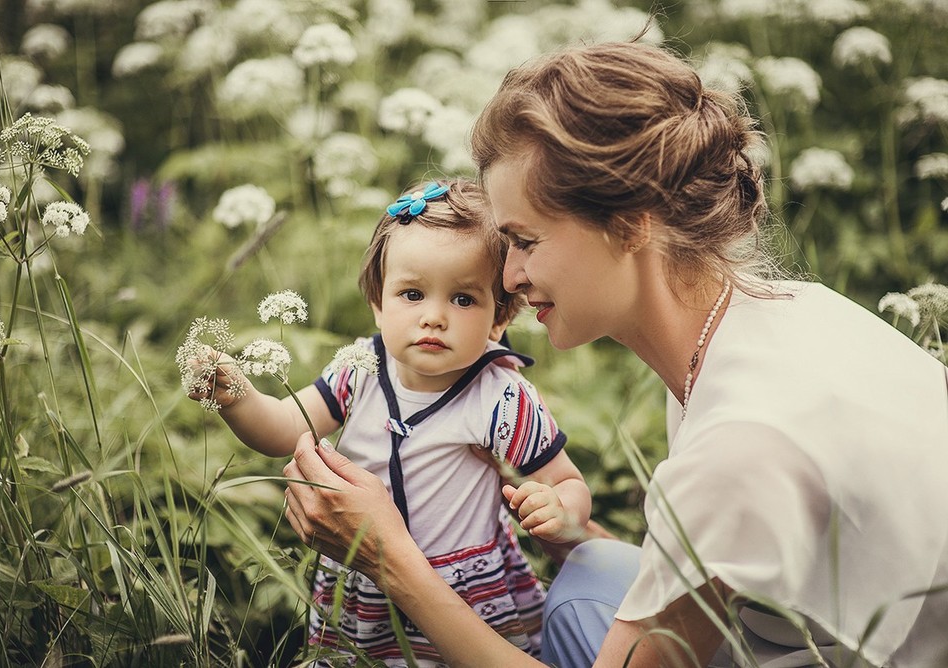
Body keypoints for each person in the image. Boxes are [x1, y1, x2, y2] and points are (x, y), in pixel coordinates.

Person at [280, 40, 948, 668]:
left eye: (526, 241)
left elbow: (727, 488)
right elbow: (719, 564)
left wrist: (390, 559)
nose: (507, 277)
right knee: (593, 574)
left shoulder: (742, 440)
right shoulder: (777, 315)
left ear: (630, 224)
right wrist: (576, 531)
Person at [189, 178, 592, 666]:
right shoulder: (358, 369)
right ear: (378, 304)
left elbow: (567, 480)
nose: (434, 317)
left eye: (463, 299)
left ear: (498, 319)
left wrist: (557, 506)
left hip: (464, 596)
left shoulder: (501, 397)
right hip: (364, 587)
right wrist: (239, 398)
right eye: (412, 293)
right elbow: (284, 430)